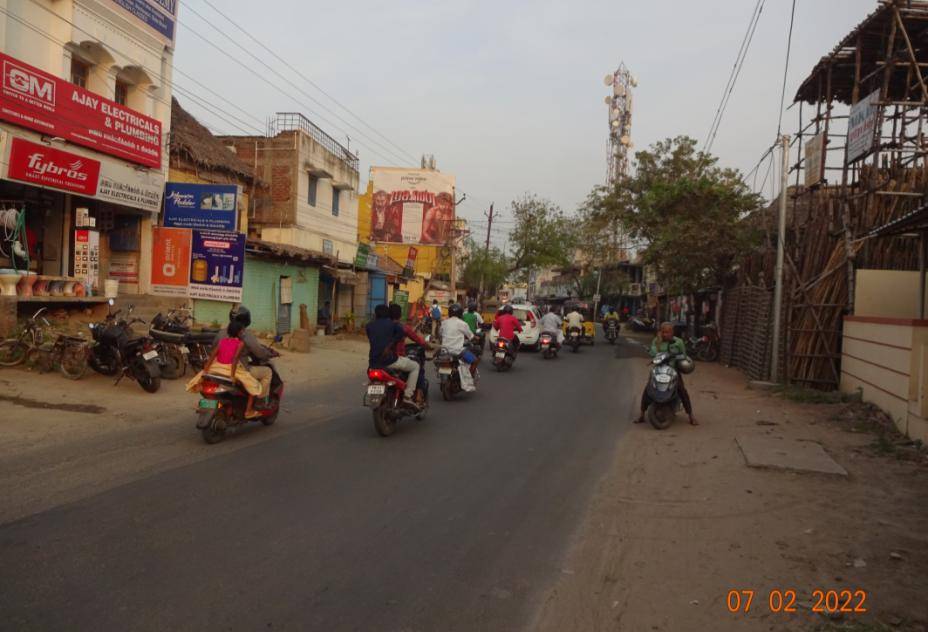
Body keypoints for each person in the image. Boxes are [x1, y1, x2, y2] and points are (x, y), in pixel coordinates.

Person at [636, 322, 697, 426]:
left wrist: (676, 356)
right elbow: (653, 352)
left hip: (673, 370)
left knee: (682, 390)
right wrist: (656, 350)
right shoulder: (657, 341)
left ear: (672, 332)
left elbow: (684, 355)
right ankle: (642, 414)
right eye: (663, 332)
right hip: (658, 369)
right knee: (648, 389)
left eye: (667, 332)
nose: (665, 334)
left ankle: (691, 416)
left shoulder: (678, 342)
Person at [212, 305, 273, 409]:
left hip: (219, 368)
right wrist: (269, 354)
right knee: (267, 372)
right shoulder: (245, 335)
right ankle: (260, 401)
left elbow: (213, 352)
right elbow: (258, 352)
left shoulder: (221, 333)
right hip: (238, 370)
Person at [201, 320, 263, 418]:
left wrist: (206, 369)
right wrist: (232, 376)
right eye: (242, 331)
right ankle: (248, 411)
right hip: (230, 369)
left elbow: (213, 355)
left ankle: (205, 405)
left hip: (217, 367)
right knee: (254, 386)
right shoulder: (240, 343)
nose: (243, 333)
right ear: (238, 332)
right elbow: (234, 359)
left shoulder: (222, 341)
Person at [366, 304, 420, 407]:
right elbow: (400, 334)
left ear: (376, 314)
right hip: (390, 361)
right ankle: (408, 395)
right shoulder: (393, 325)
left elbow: (371, 338)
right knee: (415, 366)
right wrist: (390, 345)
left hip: (373, 363)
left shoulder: (369, 325)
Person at [389, 303, 429, 403]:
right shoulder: (403, 328)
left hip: (382, 359)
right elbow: (417, 339)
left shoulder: (383, 327)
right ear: (400, 315)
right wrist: (427, 345)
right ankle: (410, 395)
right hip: (397, 358)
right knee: (417, 366)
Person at [440, 303, 477, 391]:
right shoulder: (463, 324)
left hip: (444, 351)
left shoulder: (444, 323)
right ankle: (469, 379)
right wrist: (475, 338)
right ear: (460, 313)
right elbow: (471, 336)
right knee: (475, 361)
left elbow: (440, 334)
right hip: (458, 352)